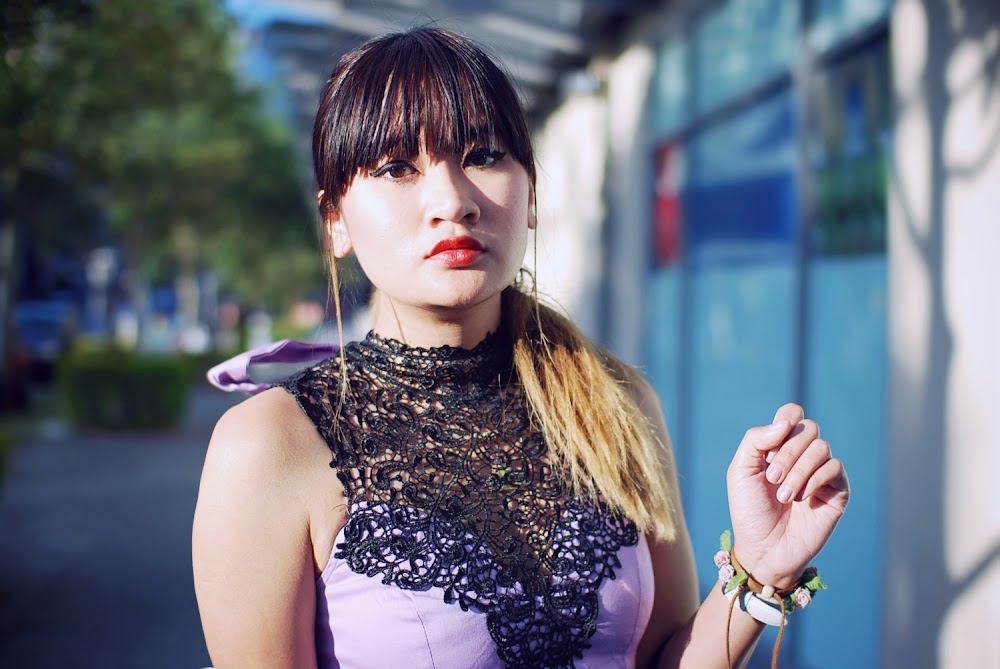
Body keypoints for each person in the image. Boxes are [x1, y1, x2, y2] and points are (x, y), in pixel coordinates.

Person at [192, 27, 850, 669]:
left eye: (483, 155)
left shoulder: (616, 403)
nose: (453, 200)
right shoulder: (269, 446)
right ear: (335, 219)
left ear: (531, 195)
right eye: (397, 167)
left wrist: (760, 569)